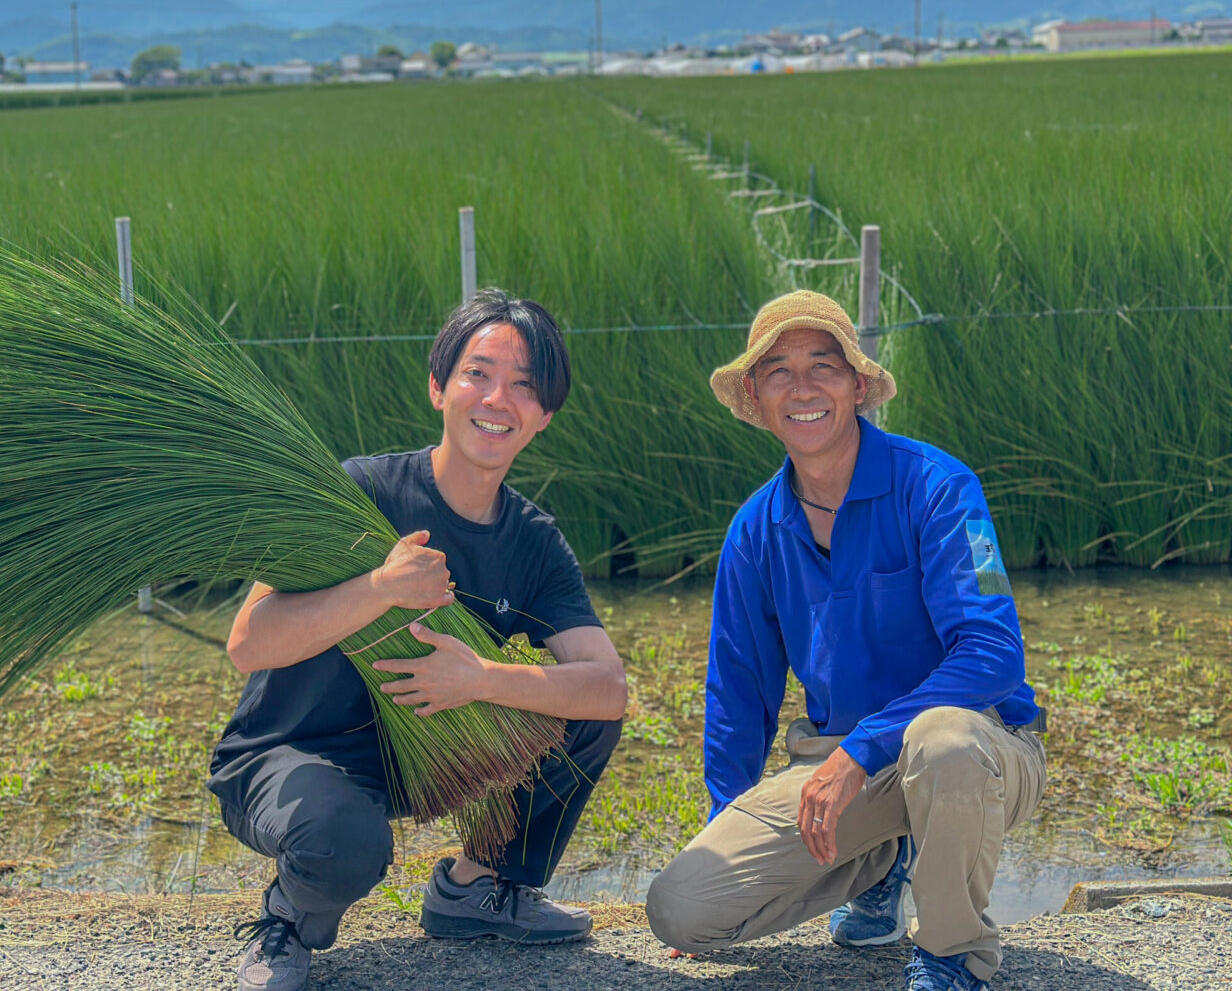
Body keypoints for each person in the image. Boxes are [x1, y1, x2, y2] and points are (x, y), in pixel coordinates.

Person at [209, 289, 627, 991]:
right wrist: (380, 588)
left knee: (582, 719)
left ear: (544, 416)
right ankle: (286, 922)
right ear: (439, 388)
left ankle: (477, 889)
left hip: (422, 760)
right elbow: (249, 642)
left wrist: (481, 678)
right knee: (343, 841)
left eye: (524, 386)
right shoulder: (359, 492)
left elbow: (607, 685)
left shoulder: (533, 542)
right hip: (290, 759)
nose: (497, 399)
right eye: (478, 374)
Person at [644, 290, 1047, 991]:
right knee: (681, 909)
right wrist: (724, 829)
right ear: (756, 395)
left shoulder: (941, 486)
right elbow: (738, 693)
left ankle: (952, 957)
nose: (802, 388)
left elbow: (993, 651)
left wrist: (863, 750)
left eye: (823, 366)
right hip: (842, 768)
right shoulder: (752, 531)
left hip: (978, 749)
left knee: (943, 739)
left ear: (858, 385)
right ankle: (884, 861)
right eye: (778, 371)